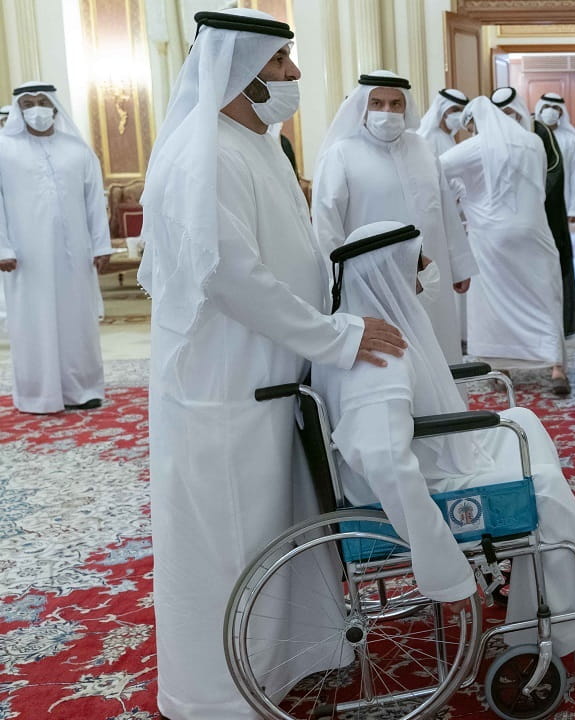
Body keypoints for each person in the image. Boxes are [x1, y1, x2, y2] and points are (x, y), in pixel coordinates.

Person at [139, 10, 408, 717]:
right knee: (233, 537)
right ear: (239, 69)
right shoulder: (204, 155)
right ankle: (223, 693)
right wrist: (335, 337)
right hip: (225, 386)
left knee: (278, 524)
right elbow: (233, 277)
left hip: (272, 376)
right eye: (280, 61)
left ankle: (294, 656)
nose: (294, 74)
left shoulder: (257, 143)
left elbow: (295, 253)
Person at [316, 220, 575, 671]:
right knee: (541, 487)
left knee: (520, 421)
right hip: (401, 496)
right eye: (417, 263)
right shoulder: (376, 359)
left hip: (425, 460)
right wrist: (442, 564)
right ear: (389, 274)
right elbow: (386, 463)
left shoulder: (362, 328)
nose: (427, 269)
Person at [312, 70, 475, 363]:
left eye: (395, 104)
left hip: (429, 276)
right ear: (363, 107)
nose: (387, 111)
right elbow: (326, 225)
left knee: (436, 350)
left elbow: (445, 211)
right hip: (369, 282)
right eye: (377, 103)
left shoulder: (423, 149)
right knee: (391, 356)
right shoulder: (341, 154)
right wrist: (334, 283)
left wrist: (459, 266)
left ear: (406, 107)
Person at [441, 96, 570, 394]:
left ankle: (501, 367)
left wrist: (462, 194)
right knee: (545, 298)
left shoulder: (477, 146)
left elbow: (438, 170)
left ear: (475, 122)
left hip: (493, 238)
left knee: (494, 304)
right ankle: (556, 369)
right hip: (535, 233)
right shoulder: (533, 143)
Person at [0, 81, 112, 414]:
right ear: (19, 109)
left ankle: (84, 389)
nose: (36, 109)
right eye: (28, 103)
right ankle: (39, 394)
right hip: (26, 257)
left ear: (54, 106)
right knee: (34, 322)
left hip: (74, 254)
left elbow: (94, 201)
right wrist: (2, 248)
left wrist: (101, 244)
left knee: (78, 320)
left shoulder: (77, 149)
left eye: (42, 102)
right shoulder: (4, 149)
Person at [492, 87, 575, 338]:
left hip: (542, 213)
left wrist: (529, 195)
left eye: (510, 111)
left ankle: (550, 324)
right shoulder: (492, 132)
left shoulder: (539, 131)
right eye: (501, 112)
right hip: (506, 217)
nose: (507, 116)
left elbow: (554, 169)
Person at [535, 92, 575, 223]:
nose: (550, 110)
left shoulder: (572, 140)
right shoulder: (530, 136)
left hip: (562, 198)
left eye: (555, 107)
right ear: (540, 109)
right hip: (533, 200)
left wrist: (574, 209)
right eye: (546, 106)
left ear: (561, 112)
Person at [417, 87, 468, 157]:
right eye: (455, 110)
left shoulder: (448, 136)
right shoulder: (430, 137)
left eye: (463, 111)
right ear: (442, 110)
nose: (460, 115)